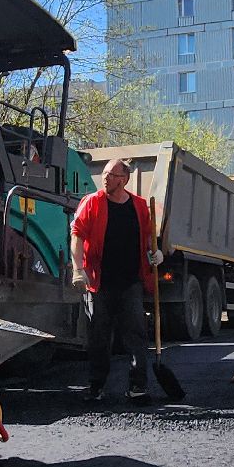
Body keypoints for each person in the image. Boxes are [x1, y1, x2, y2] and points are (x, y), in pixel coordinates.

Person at [69, 158, 159, 404]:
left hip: (131, 281)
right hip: (100, 283)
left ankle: (138, 386)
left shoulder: (140, 207)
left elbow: (148, 239)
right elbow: (77, 235)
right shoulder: (92, 203)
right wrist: (78, 269)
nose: (105, 178)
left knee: (137, 335)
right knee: (99, 337)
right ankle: (96, 387)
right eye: (105, 174)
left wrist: (155, 254)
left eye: (110, 174)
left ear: (123, 179)